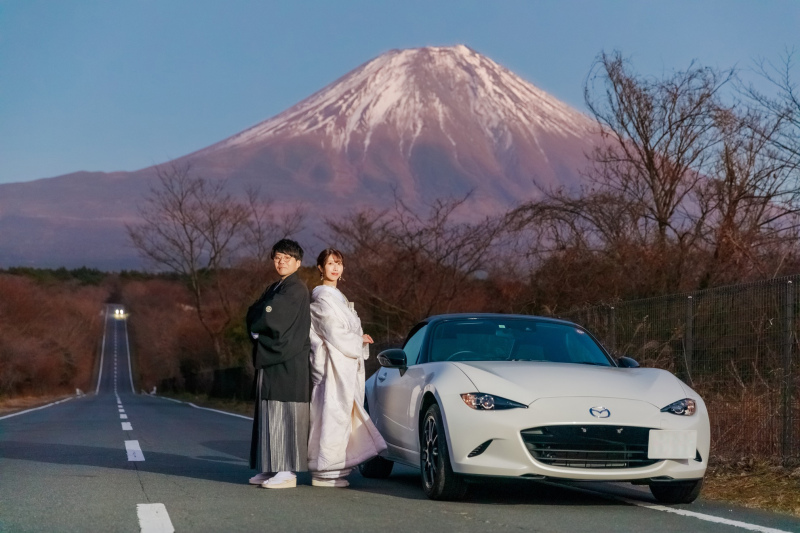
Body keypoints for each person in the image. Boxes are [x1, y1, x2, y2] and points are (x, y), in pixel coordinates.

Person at [307, 248, 387, 488]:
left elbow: (348, 330)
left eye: (338, 263)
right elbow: (331, 331)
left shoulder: (338, 297)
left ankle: (337, 467)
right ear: (320, 268)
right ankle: (324, 470)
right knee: (332, 415)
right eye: (330, 263)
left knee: (342, 416)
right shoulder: (322, 297)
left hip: (345, 365)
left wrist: (360, 337)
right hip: (333, 367)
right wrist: (357, 339)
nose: (335, 268)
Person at [246, 238, 311, 489]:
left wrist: (258, 333)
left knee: (285, 414)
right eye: (277, 257)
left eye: (287, 257)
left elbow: (269, 317)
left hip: (288, 362)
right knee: (269, 413)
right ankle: (271, 467)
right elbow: (254, 312)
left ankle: (287, 471)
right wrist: (257, 327)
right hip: (274, 359)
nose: (281, 261)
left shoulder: (296, 289)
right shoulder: (277, 287)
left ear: (298, 262)